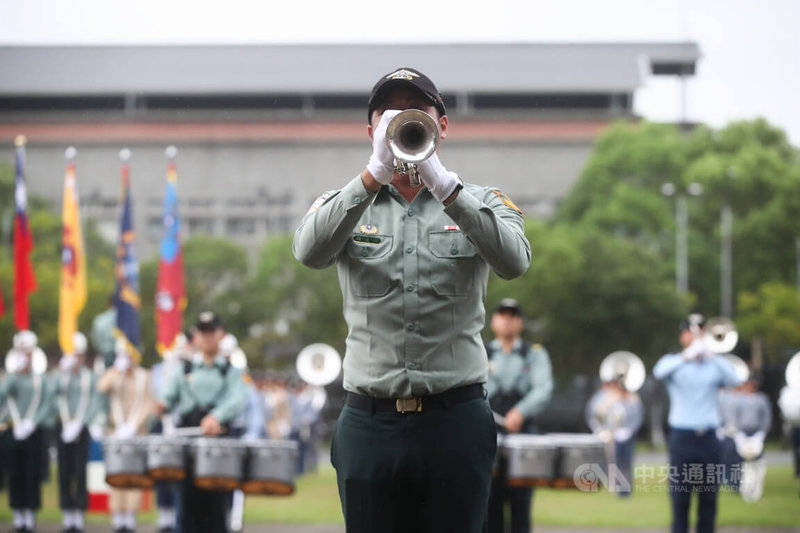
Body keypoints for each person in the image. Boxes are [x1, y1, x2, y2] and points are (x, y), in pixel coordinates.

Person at [293, 66, 531, 533]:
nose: (403, 119)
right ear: (371, 130)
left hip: (455, 421)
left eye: (416, 110)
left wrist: (446, 188)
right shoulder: (344, 203)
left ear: (441, 124)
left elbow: (514, 261)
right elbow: (308, 251)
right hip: (369, 421)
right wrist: (371, 176)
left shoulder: (482, 200)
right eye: (389, 114)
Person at [155, 311, 248, 533]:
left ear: (221, 334)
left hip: (219, 444)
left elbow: (237, 399)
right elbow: (168, 397)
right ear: (196, 336)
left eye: (211, 332)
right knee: (186, 507)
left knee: (216, 509)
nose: (207, 337)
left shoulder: (231, 371)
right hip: (187, 444)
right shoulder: (183, 369)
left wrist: (217, 416)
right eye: (202, 332)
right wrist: (160, 405)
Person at [653, 315, 743, 533]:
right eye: (691, 334)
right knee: (679, 496)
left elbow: (736, 380)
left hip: (709, 438)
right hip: (682, 437)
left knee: (709, 496)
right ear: (683, 336)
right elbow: (658, 372)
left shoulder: (713, 365)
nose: (696, 338)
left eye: (700, 334)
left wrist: (713, 356)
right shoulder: (673, 362)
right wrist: (687, 356)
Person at [484, 298, 553, 533]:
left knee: (521, 502)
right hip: (488, 431)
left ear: (520, 323)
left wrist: (520, 412)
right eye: (503, 315)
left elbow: (543, 389)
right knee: (488, 501)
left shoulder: (533, 354)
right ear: (493, 321)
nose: (508, 321)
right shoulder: (481, 351)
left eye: (513, 316)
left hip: (522, 432)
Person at [97, 338, 154, 533]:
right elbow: (102, 388)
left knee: (134, 475)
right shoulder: (115, 374)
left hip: (136, 432)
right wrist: (115, 371)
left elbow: (148, 402)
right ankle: (117, 516)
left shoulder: (144, 375)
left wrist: (133, 425)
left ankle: (130, 518)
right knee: (117, 473)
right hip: (116, 431)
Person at [0, 330, 54, 533]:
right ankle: (17, 515)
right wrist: (13, 375)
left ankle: (30, 516)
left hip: (33, 432)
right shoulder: (10, 378)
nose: (25, 356)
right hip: (12, 431)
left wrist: (33, 422)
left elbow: (47, 403)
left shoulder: (40, 379)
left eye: (28, 352)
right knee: (14, 474)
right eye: (21, 351)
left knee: (32, 473)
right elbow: (2, 396)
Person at [53, 331, 101, 533]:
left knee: (80, 472)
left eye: (80, 354)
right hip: (63, 426)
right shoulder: (60, 376)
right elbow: (51, 395)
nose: (77, 359)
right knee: (64, 471)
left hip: (81, 428)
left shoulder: (89, 377)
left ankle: (79, 515)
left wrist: (82, 422)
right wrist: (59, 372)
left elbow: (94, 401)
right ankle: (67, 514)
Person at [149, 333, 189, 533]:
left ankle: (178, 515)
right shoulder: (158, 371)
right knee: (162, 472)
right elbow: (156, 398)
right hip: (163, 426)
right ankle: (164, 514)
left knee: (181, 474)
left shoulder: (189, 370)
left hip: (183, 426)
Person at [585, 365, 644, 497]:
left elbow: (636, 416)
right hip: (608, 434)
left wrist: (628, 430)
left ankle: (624, 489)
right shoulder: (602, 397)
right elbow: (593, 414)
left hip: (626, 434)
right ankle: (611, 486)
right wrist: (600, 429)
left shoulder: (632, 398)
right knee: (610, 461)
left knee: (626, 462)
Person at [91, 296, 117, 369]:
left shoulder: (99, 320)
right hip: (117, 359)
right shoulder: (124, 320)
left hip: (103, 357)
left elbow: (96, 342)